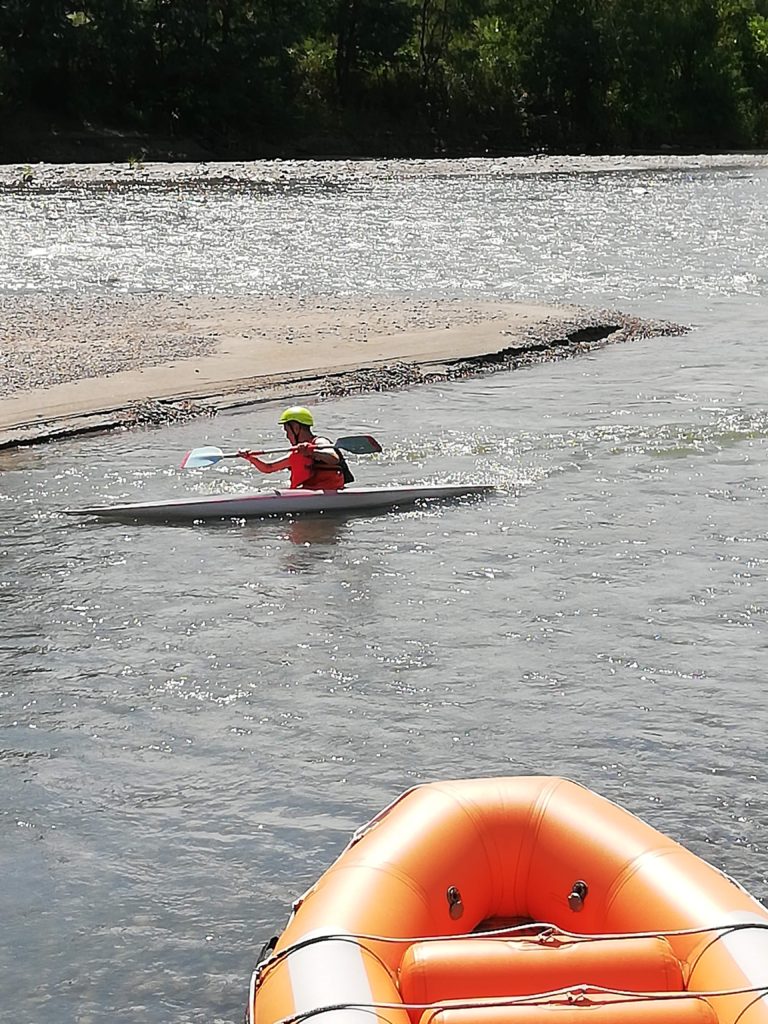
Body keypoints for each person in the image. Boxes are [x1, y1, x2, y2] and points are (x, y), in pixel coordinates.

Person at [238, 406, 352, 490]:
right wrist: (250, 457)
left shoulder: (320, 442)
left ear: (296, 428)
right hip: (308, 493)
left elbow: (333, 458)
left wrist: (312, 453)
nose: (287, 436)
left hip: (331, 492)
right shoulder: (298, 452)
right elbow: (268, 467)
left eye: (287, 431)